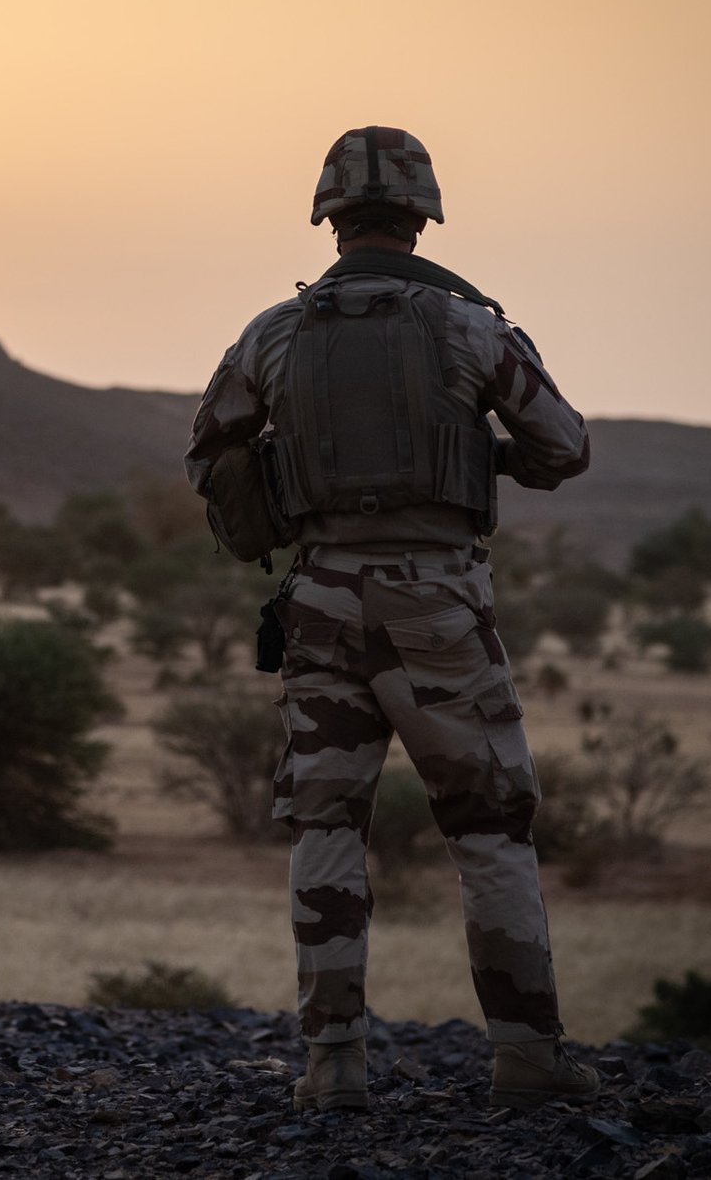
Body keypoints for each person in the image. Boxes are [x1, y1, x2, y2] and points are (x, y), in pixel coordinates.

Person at [184, 126, 596, 1112]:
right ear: (422, 216)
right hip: (438, 603)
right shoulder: (466, 326)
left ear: (328, 218)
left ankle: (332, 1066)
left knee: (325, 824)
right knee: (488, 831)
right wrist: (474, 455)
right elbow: (563, 447)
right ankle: (527, 1059)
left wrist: (277, 515)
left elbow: (211, 451)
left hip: (321, 596)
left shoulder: (273, 334)